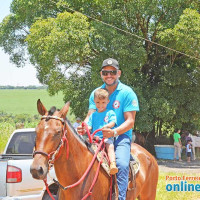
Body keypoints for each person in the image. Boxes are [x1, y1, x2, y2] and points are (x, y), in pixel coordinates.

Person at [78, 58, 139, 200]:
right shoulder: (96, 93)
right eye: (105, 72)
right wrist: (84, 126)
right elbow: (90, 115)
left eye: (112, 72)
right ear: (101, 74)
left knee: (122, 165)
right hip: (97, 137)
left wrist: (114, 132)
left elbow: (130, 121)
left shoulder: (127, 93)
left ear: (119, 73)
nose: (109, 75)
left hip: (120, 137)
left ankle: (121, 197)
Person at [86, 88, 118, 175]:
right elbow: (89, 125)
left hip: (105, 137)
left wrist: (107, 126)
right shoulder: (93, 115)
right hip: (94, 138)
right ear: (94, 102)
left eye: (103, 102)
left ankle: (112, 164)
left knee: (109, 146)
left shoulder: (110, 112)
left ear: (108, 101)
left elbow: (113, 122)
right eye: (97, 102)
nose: (100, 105)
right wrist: (86, 128)